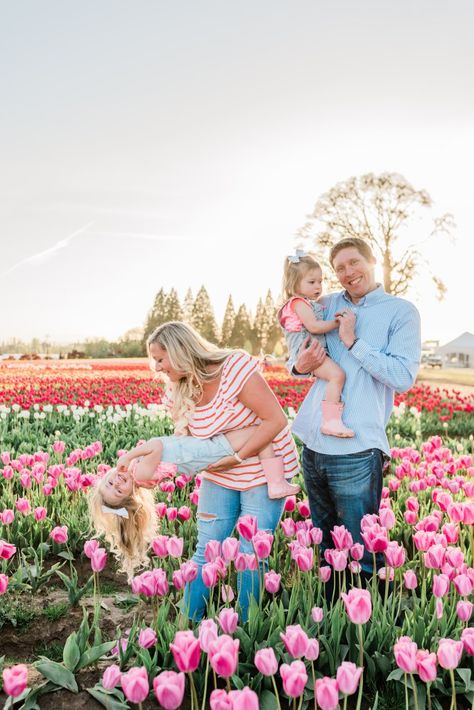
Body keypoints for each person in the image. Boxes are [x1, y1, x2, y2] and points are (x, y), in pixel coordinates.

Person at [148, 321, 300, 621]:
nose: (157, 367)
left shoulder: (233, 369)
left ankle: (245, 626)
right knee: (207, 547)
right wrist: (156, 468)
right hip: (219, 473)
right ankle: (186, 625)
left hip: (263, 470)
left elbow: (275, 420)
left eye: (161, 358)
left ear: (179, 352)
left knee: (250, 553)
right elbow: (188, 444)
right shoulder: (179, 390)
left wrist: (237, 456)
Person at [289, 237, 421, 576]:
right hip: (314, 444)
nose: (348, 272)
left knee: (362, 553)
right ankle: (329, 619)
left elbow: (403, 377)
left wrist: (353, 343)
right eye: (340, 268)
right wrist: (299, 364)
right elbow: (296, 348)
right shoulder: (324, 303)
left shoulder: (401, 311)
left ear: (372, 260)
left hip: (358, 449)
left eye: (354, 262)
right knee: (326, 551)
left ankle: (361, 617)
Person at [279, 250, 354, 437]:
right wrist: (337, 323)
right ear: (294, 283)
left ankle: (331, 420)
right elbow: (313, 327)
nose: (318, 286)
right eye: (311, 282)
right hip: (308, 351)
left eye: (320, 281)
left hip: (313, 350)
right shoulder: (298, 303)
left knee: (336, 375)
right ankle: (331, 422)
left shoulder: (307, 303)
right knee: (337, 375)